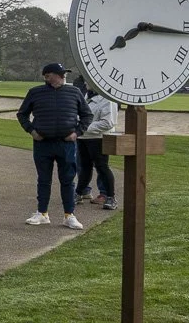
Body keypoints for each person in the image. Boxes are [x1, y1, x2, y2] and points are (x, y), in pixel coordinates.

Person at [17, 61, 92, 228]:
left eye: (63, 73)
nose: (63, 76)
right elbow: (22, 114)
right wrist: (31, 130)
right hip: (43, 143)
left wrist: (77, 133)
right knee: (44, 179)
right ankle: (42, 213)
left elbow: (87, 115)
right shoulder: (35, 93)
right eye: (59, 74)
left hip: (66, 144)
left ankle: (69, 215)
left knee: (67, 180)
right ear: (47, 76)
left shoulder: (74, 92)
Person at [74, 76, 118, 211]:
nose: (86, 83)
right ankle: (79, 193)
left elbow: (108, 122)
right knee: (84, 167)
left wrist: (83, 127)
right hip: (83, 138)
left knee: (102, 167)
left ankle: (110, 197)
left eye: (89, 81)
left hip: (98, 138)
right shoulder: (87, 96)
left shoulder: (108, 100)